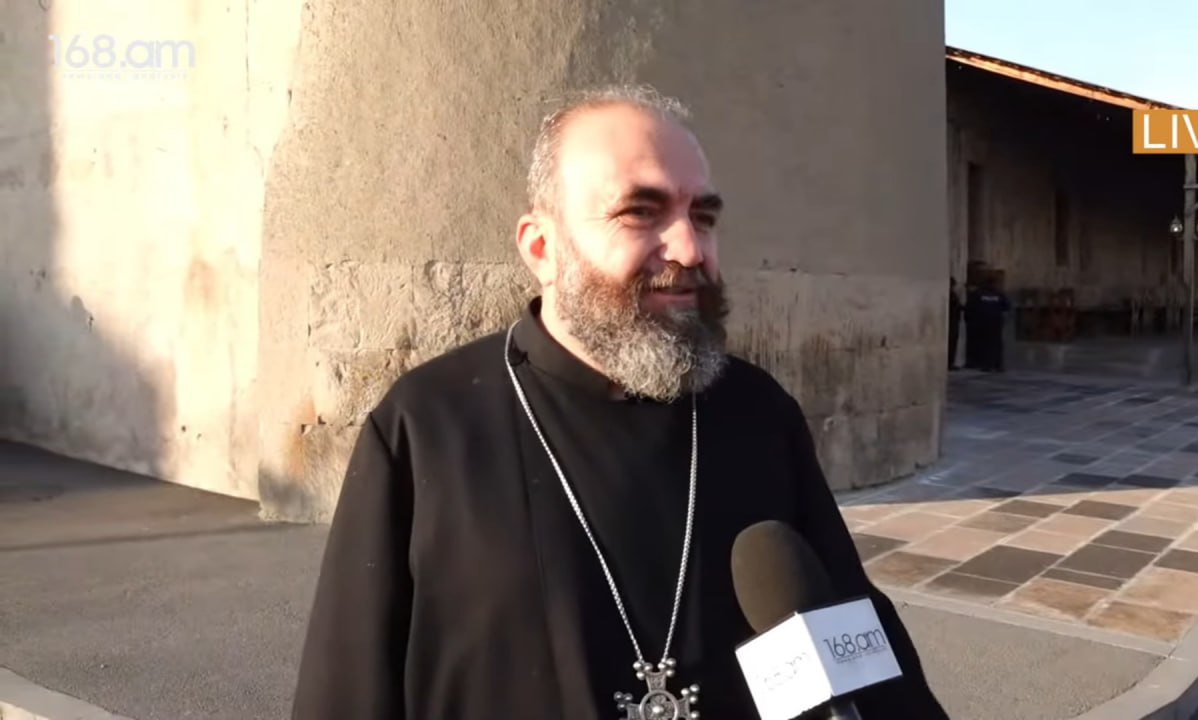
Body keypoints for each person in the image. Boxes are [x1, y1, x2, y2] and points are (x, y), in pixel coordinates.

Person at [290, 85, 949, 720]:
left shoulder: (758, 415)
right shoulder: (426, 426)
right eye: (640, 212)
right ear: (542, 248)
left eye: (704, 217)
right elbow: (351, 688)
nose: (690, 248)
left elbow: (849, 643)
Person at [970, 273, 1011, 372]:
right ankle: (996, 365)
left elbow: (972, 307)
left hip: (985, 323)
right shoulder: (998, 294)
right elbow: (1007, 307)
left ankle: (989, 365)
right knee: (995, 344)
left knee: (987, 344)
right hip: (994, 323)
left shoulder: (979, 293)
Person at [948, 276, 963, 370]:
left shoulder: (952, 294)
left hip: (954, 321)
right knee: (951, 343)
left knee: (952, 343)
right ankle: (949, 363)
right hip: (951, 322)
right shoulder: (951, 295)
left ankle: (950, 362)